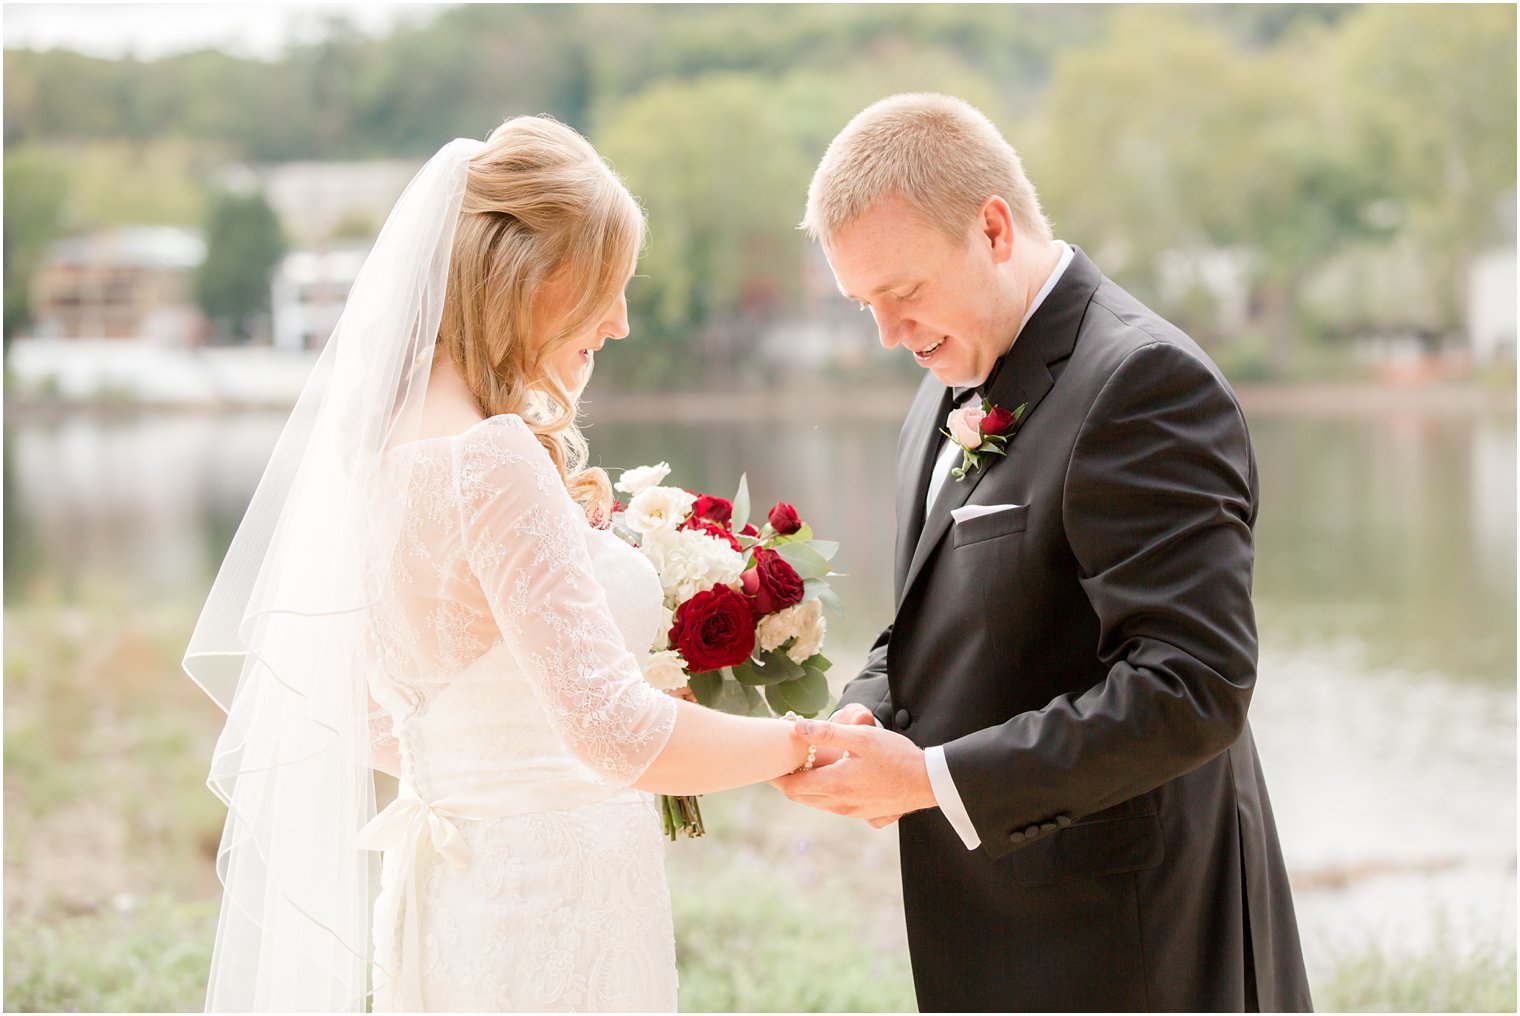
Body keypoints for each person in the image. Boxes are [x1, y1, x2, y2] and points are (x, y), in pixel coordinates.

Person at [184, 115, 814, 1013]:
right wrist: (802, 743)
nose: (623, 320)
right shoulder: (492, 457)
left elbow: (367, 713)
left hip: (454, 885)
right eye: (607, 285)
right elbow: (612, 732)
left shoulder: (380, 457)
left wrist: (495, 763)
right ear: (534, 280)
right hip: (555, 901)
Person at [773, 93, 1313, 1011]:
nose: (888, 336)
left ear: (991, 229)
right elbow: (934, 616)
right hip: (1000, 938)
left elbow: (1195, 686)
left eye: (901, 294)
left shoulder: (1143, 382)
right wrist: (868, 709)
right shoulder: (950, 373)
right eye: (864, 305)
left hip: (1132, 950)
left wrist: (936, 778)